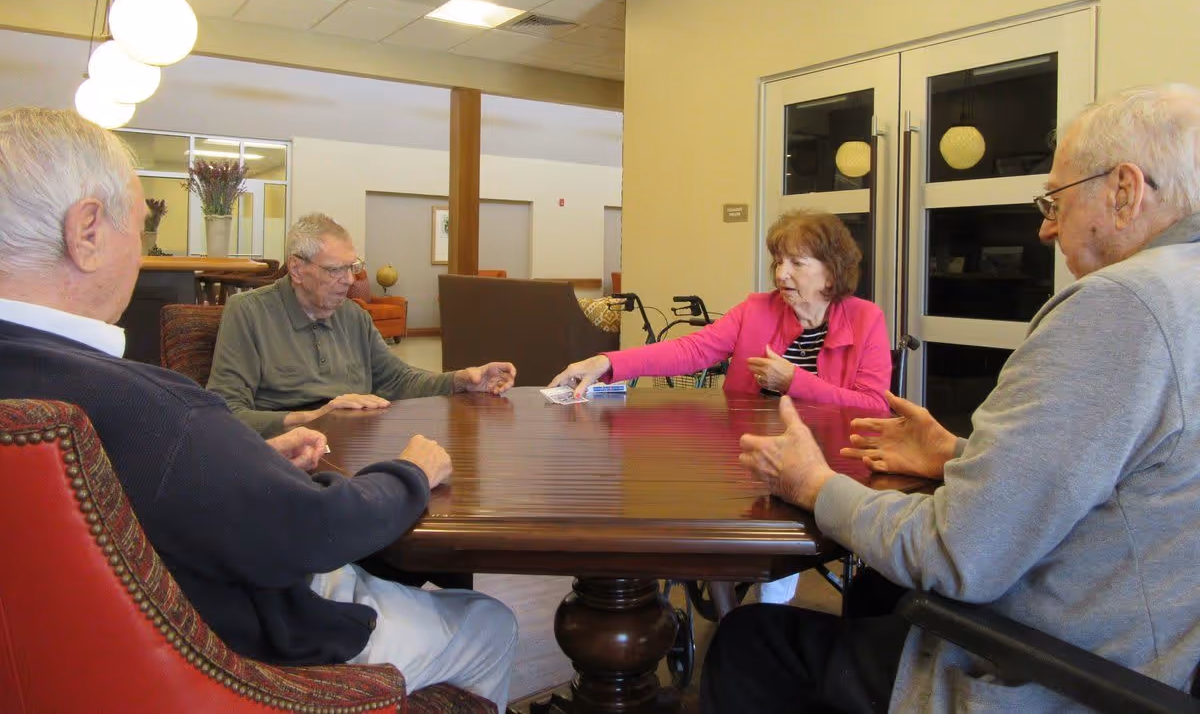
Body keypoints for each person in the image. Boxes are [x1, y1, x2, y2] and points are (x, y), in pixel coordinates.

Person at [0, 108, 517, 712]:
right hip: (251, 639)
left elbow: (165, 486)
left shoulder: (63, 393)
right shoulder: (154, 407)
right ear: (86, 232)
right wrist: (412, 472)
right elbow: (311, 533)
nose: (140, 253)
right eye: (138, 229)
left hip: (98, 653)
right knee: (491, 624)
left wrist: (249, 461)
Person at [705, 84, 1200, 713]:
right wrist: (956, 455)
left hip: (1061, 672)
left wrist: (814, 486)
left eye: (1054, 200)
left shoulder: (1120, 304)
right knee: (879, 590)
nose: (1046, 228)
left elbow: (959, 552)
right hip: (1149, 639)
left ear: (1124, 190)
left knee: (750, 640)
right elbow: (1134, 470)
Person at [551, 208, 890, 604]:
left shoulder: (866, 319)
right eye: (779, 262)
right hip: (746, 457)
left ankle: (761, 621)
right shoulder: (757, 310)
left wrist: (794, 381)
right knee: (692, 502)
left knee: (767, 531)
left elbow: (872, 406)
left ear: (831, 272)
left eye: (797, 263)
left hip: (826, 462)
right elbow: (692, 349)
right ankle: (734, 616)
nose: (782, 274)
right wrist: (610, 362)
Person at [206, 212, 516, 439]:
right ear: (297, 269)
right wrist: (313, 418)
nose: (350, 280)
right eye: (335, 270)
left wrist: (463, 380)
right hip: (287, 450)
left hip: (355, 443)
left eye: (353, 267)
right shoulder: (248, 313)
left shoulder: (353, 317)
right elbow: (225, 414)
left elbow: (398, 380)